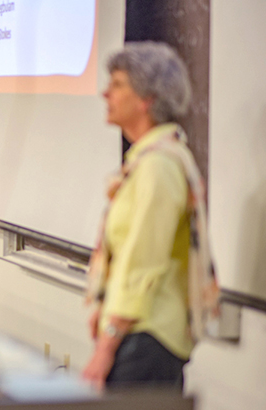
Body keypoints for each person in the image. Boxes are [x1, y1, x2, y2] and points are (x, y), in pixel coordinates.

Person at [82, 42, 219, 390]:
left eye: (117, 85)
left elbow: (144, 261)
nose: (104, 93)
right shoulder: (148, 159)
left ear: (147, 99)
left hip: (149, 335)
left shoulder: (160, 165)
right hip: (137, 330)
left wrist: (107, 343)